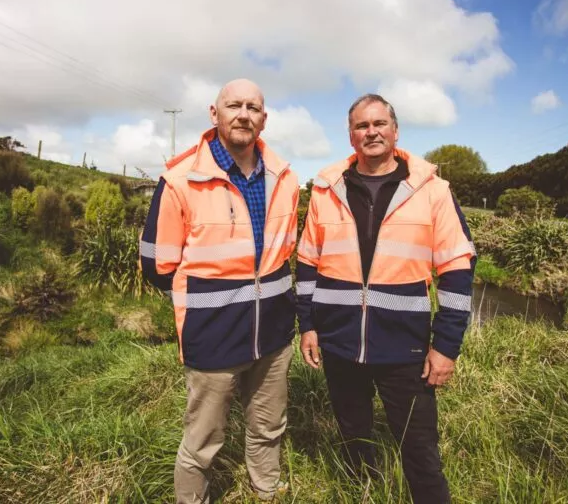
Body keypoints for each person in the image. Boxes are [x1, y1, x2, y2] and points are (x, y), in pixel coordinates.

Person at [296, 93, 475, 503]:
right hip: (339, 343)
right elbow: (308, 262)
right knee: (355, 441)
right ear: (351, 135)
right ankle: (366, 495)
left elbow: (457, 270)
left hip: (405, 347)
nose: (371, 132)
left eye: (379, 124)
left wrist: (446, 346)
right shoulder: (327, 190)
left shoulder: (433, 191)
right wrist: (307, 325)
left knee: (420, 452)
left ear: (395, 130)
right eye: (362, 125)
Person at [140, 79, 299, 503]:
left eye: (253, 107)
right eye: (234, 105)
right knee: (202, 442)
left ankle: (267, 491)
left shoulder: (286, 178)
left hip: (274, 335)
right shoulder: (179, 180)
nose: (243, 114)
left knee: (269, 426)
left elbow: (286, 254)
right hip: (212, 336)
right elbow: (157, 265)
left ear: (264, 119)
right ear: (215, 114)